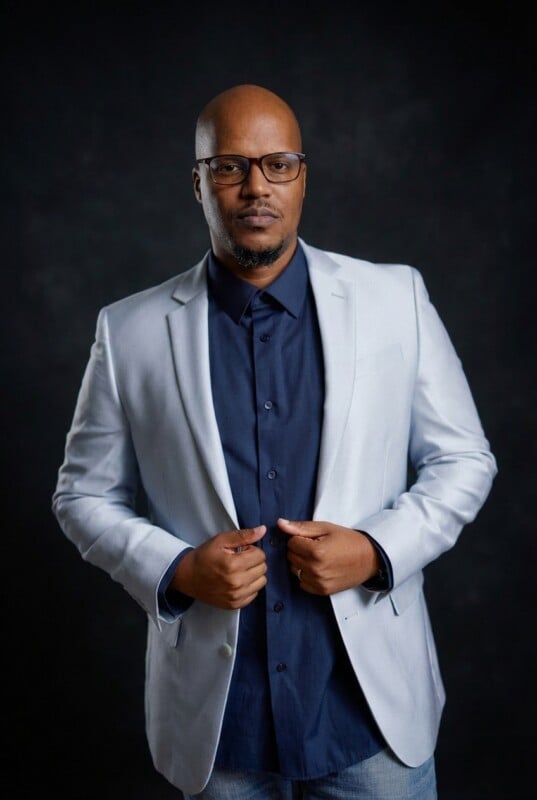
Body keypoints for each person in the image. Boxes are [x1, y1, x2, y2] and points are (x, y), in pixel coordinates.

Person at [52, 83, 497, 799]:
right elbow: (82, 495)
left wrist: (377, 550)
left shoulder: (395, 300)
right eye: (228, 166)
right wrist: (176, 570)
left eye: (277, 165)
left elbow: (463, 460)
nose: (255, 186)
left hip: (370, 718)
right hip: (219, 728)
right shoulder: (128, 330)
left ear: (301, 178)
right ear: (198, 183)